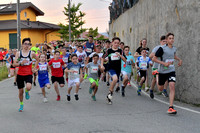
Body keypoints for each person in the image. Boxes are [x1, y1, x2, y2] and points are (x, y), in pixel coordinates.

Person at [152, 33, 182, 114]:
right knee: (160, 88)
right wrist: (163, 63)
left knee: (172, 85)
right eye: (170, 38)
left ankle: (171, 107)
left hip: (171, 70)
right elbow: (154, 59)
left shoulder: (174, 48)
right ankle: (157, 75)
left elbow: (173, 56)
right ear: (167, 40)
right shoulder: (162, 49)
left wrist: (179, 60)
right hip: (162, 71)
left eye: (173, 38)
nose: (172, 40)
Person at [13, 38, 39, 112]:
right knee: (20, 92)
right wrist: (20, 63)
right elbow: (14, 64)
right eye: (25, 43)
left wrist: (34, 68)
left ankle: (27, 91)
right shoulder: (19, 54)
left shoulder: (31, 53)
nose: (26, 45)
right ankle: (21, 104)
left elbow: (37, 59)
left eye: (28, 44)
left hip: (28, 73)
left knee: (28, 87)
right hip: (20, 74)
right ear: (22, 44)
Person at [101, 37, 126, 104]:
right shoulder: (108, 50)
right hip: (111, 68)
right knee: (115, 79)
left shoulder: (121, 51)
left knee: (114, 82)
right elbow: (102, 58)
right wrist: (102, 65)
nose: (116, 44)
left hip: (118, 69)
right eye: (115, 43)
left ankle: (110, 93)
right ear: (112, 43)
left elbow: (125, 60)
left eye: (118, 43)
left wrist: (120, 55)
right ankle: (110, 93)